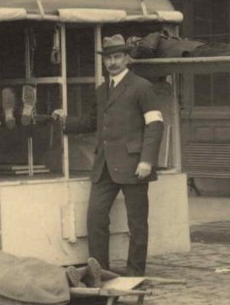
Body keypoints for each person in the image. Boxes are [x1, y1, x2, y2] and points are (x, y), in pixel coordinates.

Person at [52, 34, 164, 276]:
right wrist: (64, 120)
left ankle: (135, 274)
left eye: (117, 57)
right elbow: (91, 121)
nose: (112, 62)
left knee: (137, 224)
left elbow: (155, 125)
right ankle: (100, 272)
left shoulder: (142, 87)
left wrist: (147, 160)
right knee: (95, 218)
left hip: (135, 166)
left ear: (126, 58)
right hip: (104, 166)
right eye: (109, 58)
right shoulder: (102, 90)